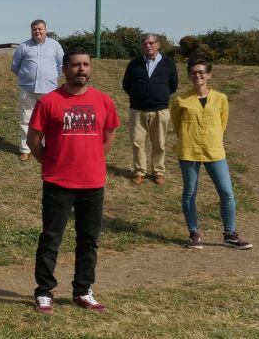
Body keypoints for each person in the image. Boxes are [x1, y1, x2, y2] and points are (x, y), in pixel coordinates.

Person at [27, 48, 119, 314]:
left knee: (89, 239)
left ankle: (83, 290)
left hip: (92, 183)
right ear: (65, 69)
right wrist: (51, 162)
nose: (82, 69)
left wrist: (94, 160)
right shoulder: (49, 102)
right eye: (76, 65)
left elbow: (109, 134)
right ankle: (44, 292)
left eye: (86, 65)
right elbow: (34, 140)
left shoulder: (103, 101)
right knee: (51, 239)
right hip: (59, 182)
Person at [169, 59, 252, 250]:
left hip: (214, 150)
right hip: (188, 150)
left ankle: (230, 234)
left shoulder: (221, 98)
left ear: (209, 75)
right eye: (193, 73)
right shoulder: (180, 100)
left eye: (201, 72)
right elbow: (177, 125)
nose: (197, 75)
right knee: (190, 193)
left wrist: (210, 138)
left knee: (227, 193)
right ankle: (194, 234)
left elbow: (222, 123)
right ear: (189, 76)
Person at [122, 33, 178, 185]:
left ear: (158, 44)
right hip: (137, 110)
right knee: (137, 142)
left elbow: (173, 85)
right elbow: (126, 84)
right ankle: (140, 172)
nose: (148, 46)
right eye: (145, 43)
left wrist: (159, 96)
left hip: (160, 110)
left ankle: (158, 172)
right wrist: (138, 96)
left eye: (151, 43)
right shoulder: (134, 63)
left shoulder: (168, 63)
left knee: (159, 143)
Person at [11, 19, 64, 161]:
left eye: (40, 29)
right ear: (31, 31)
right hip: (27, 90)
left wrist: (50, 77)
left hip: (49, 90)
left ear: (45, 30)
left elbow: (61, 65)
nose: (37, 31)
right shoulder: (23, 46)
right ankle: (25, 149)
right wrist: (26, 77)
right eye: (34, 29)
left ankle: (48, 147)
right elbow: (15, 67)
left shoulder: (55, 46)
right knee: (26, 119)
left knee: (49, 120)